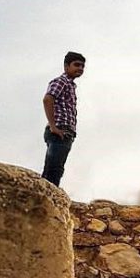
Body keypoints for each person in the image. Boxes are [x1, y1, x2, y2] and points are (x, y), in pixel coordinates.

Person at [41, 52, 86, 187]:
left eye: (83, 66)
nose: (80, 68)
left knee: (55, 168)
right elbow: (47, 99)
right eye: (76, 65)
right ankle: (49, 200)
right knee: (53, 170)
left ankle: (48, 197)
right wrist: (53, 127)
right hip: (59, 131)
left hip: (65, 133)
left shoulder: (71, 85)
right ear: (66, 66)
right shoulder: (62, 81)